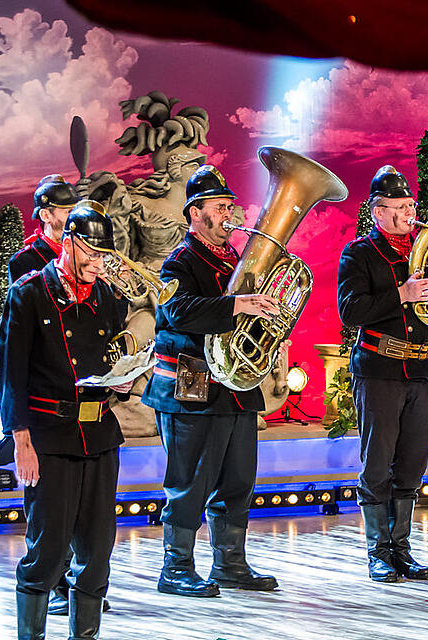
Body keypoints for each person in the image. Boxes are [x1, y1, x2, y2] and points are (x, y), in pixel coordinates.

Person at [141, 165, 279, 597]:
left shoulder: (234, 259)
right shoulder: (179, 261)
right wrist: (236, 305)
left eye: (229, 206)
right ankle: (176, 567)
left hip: (235, 389)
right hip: (192, 389)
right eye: (219, 207)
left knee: (238, 480)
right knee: (190, 482)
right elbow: (176, 312)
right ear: (194, 213)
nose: (228, 214)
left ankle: (229, 564)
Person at [0, 200, 130, 640]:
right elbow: (10, 375)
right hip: (49, 438)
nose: (98, 263)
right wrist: (21, 442)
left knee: (97, 551)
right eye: (91, 253)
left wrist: (124, 380)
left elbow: (112, 356)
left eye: (104, 255)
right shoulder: (29, 292)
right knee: (49, 550)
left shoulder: (108, 296)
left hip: (100, 436)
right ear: (69, 243)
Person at [338, 165, 428, 582]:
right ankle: (378, 552)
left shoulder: (426, 248)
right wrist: (401, 293)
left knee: (413, 463)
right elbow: (350, 311)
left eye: (411, 206)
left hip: (419, 368)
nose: (409, 214)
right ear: (378, 212)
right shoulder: (359, 253)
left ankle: (402, 549)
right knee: (377, 463)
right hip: (378, 368)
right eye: (398, 208)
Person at [8, 175, 80, 284]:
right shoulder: (22, 261)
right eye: (69, 212)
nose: (76, 217)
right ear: (45, 216)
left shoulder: (86, 251)